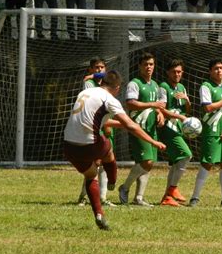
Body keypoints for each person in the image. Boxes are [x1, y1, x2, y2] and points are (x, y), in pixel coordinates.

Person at [64, 70, 166, 230]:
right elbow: (131, 126)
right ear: (117, 88)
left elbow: (100, 121)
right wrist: (153, 141)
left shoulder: (85, 92)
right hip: (89, 145)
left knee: (91, 175)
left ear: (101, 82)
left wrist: (91, 76)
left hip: (68, 145)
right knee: (108, 147)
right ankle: (112, 181)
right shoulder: (109, 99)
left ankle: (99, 214)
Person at [118, 52, 166, 206]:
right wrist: (153, 105)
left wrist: (160, 114)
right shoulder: (135, 83)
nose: (149, 67)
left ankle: (139, 197)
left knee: (147, 164)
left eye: (151, 64)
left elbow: (158, 106)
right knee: (148, 161)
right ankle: (124, 187)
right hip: (138, 128)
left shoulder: (155, 85)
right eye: (145, 64)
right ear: (139, 66)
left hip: (151, 129)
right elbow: (130, 103)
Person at [189, 59, 222, 207]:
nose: (219, 71)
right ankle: (195, 197)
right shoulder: (206, 86)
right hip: (211, 131)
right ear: (210, 71)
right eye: (216, 68)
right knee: (207, 163)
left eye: (221, 68)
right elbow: (208, 108)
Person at [77, 57, 116, 208]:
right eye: (96, 68)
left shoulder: (108, 85)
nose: (99, 70)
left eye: (102, 68)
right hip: (92, 126)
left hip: (105, 125)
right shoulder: (88, 83)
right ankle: (83, 196)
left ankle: (103, 196)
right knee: (95, 163)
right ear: (90, 70)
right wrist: (93, 77)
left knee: (105, 160)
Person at [158, 59, 193, 207]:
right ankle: (172, 189)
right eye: (174, 71)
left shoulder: (182, 88)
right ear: (168, 72)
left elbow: (187, 111)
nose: (177, 74)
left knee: (177, 162)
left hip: (178, 128)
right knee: (186, 155)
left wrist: (187, 101)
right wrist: (179, 117)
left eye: (179, 71)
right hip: (167, 128)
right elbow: (161, 109)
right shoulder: (163, 87)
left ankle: (167, 198)